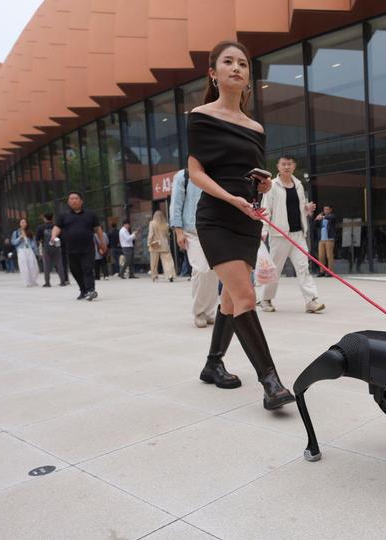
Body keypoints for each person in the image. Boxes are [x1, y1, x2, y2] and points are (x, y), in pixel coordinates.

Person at [187, 39, 295, 410]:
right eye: (228, 62)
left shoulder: (256, 127)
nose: (236, 68)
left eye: (243, 64)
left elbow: (253, 175)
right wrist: (230, 198)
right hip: (216, 216)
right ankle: (271, 382)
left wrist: (262, 186)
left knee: (231, 299)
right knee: (246, 296)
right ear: (213, 73)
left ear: (248, 77)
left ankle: (213, 364)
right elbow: (195, 172)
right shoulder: (200, 116)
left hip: (246, 217)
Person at [258, 155, 325, 314]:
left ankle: (311, 301)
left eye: (289, 164)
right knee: (275, 269)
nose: (287, 167)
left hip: (298, 234)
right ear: (278, 167)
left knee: (303, 268)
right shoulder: (271, 186)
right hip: (279, 235)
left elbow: (300, 206)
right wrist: (264, 230)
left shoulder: (299, 185)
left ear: (294, 166)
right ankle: (266, 299)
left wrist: (306, 209)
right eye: (283, 164)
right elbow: (266, 208)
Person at [171, 168, 219, 328]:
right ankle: (199, 312)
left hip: (214, 229)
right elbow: (176, 204)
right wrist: (178, 231)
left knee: (214, 272)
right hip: (192, 231)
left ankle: (210, 311)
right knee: (201, 270)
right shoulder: (183, 176)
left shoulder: (214, 173)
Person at [50, 191, 108, 300]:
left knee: (88, 268)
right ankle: (83, 290)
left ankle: (90, 290)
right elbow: (57, 227)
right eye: (71, 199)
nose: (73, 200)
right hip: (71, 248)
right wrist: (53, 236)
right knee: (75, 270)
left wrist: (102, 243)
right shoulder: (63, 216)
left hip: (87, 248)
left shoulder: (90, 214)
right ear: (68, 202)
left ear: (81, 201)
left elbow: (98, 229)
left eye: (76, 198)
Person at [36, 213, 68, 287]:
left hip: (46, 247)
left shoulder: (40, 227)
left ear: (44, 218)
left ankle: (47, 282)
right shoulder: (57, 226)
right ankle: (63, 281)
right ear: (52, 218)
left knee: (46, 265)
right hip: (57, 246)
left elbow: (37, 238)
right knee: (59, 264)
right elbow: (63, 237)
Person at [147, 210, 176, 282]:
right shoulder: (166, 224)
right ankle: (170, 275)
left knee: (154, 262)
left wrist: (149, 242)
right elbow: (167, 236)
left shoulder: (152, 223)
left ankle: (154, 276)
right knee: (168, 261)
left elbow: (151, 234)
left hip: (155, 244)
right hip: (164, 245)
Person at [11, 218, 40, 287]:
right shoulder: (16, 232)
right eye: (22, 222)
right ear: (19, 224)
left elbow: (33, 243)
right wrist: (20, 237)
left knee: (33, 266)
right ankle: (27, 282)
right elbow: (13, 242)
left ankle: (33, 280)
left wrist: (36, 251)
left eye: (25, 222)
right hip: (21, 250)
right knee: (24, 266)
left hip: (29, 250)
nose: (24, 224)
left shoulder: (29, 232)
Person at [314, 204, 337, 277]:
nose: (325, 211)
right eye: (324, 209)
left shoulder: (332, 216)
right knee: (321, 256)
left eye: (327, 209)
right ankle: (322, 271)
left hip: (329, 239)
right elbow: (315, 225)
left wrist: (322, 217)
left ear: (330, 210)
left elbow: (331, 218)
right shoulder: (321, 218)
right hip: (321, 239)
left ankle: (330, 271)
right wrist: (316, 219)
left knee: (329, 256)